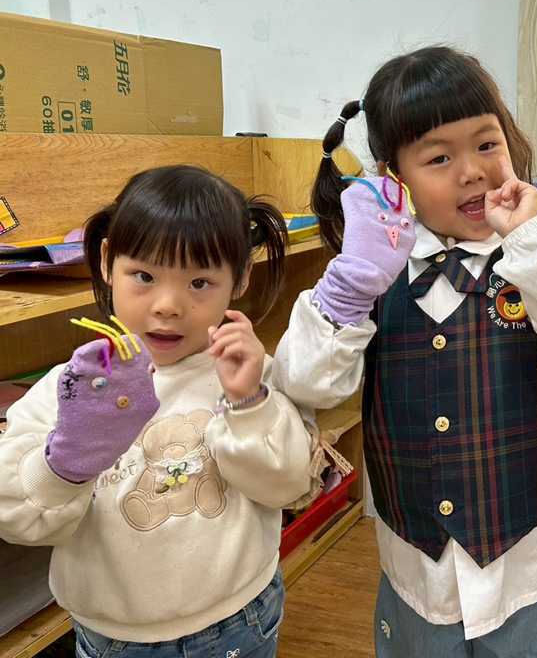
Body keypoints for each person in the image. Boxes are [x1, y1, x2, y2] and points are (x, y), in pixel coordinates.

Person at [273, 46, 537, 657]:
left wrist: (531, 242)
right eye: (439, 157)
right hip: (418, 569)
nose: (472, 172)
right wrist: (352, 282)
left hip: (527, 564)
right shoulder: (372, 274)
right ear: (394, 177)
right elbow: (305, 386)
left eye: (487, 144)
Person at [0, 165, 317, 657]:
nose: (168, 305)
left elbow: (288, 486)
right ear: (108, 262)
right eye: (144, 276)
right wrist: (69, 459)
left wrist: (249, 402)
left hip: (238, 618)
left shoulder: (246, 373)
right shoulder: (69, 389)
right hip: (111, 636)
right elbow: (16, 518)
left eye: (199, 282)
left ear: (240, 278)